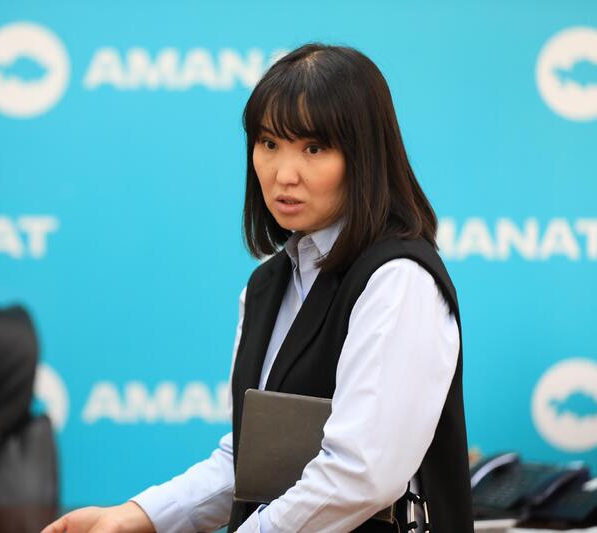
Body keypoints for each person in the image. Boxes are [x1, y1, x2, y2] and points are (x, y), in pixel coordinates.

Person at [42, 43, 473, 533]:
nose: (283, 174)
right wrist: (136, 516)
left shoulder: (397, 279)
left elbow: (360, 475)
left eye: (314, 148)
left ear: (365, 156)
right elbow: (253, 461)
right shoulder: (267, 284)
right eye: (269, 144)